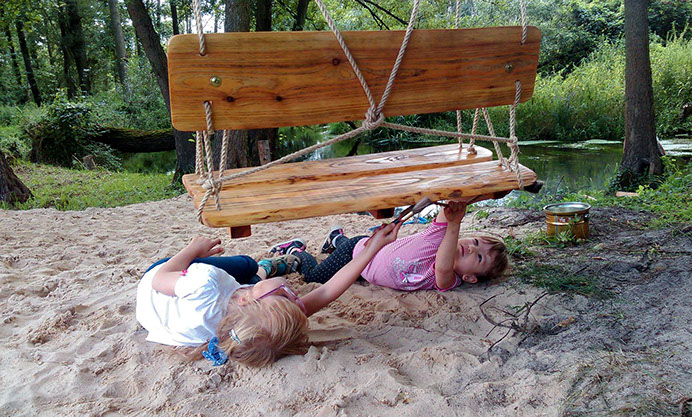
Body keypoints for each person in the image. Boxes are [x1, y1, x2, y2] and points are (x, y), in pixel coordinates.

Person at [136, 222, 400, 368]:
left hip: (157, 285)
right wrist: (372, 248)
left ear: (245, 299)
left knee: (246, 266)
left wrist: (193, 249)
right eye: (295, 299)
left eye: (284, 294)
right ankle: (267, 268)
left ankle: (262, 268)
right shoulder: (260, 323)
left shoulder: (204, 284)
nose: (294, 293)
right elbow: (327, 291)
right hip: (161, 304)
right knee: (249, 270)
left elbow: (158, 279)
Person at [279, 200, 508, 292]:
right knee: (312, 278)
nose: (471, 248)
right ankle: (299, 252)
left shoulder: (448, 280)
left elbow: (442, 265)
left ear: (470, 278)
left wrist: (455, 226)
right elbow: (452, 204)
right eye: (475, 242)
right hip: (357, 254)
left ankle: (329, 241)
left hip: (365, 267)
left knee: (326, 266)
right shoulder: (439, 234)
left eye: (479, 257)